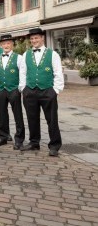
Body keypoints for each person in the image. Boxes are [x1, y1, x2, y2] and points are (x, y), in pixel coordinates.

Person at [19, 28, 64, 157]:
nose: (34, 40)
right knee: (32, 118)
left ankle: (54, 145)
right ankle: (34, 143)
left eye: (36, 38)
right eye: (32, 39)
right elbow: (23, 72)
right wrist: (24, 88)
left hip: (47, 91)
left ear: (42, 38)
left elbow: (58, 73)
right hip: (30, 91)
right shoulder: (26, 54)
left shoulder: (52, 54)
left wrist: (55, 90)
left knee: (52, 119)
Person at [0, 34, 25, 149]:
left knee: (18, 114)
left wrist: (19, 88)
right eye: (4, 43)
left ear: (12, 45)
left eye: (8, 43)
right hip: (0, 89)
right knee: (2, 114)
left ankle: (19, 139)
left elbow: (22, 75)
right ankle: (3, 137)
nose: (6, 45)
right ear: (1, 45)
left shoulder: (19, 58)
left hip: (14, 89)